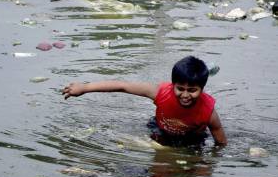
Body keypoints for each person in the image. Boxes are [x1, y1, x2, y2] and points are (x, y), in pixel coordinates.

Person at [62, 56, 227, 146]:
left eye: (192, 90)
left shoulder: (208, 111)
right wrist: (84, 87)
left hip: (191, 137)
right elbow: (122, 86)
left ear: (202, 89)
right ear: (172, 85)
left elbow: (220, 139)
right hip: (161, 128)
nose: (185, 95)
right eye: (180, 89)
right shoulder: (160, 93)